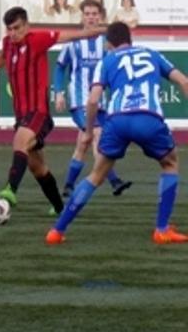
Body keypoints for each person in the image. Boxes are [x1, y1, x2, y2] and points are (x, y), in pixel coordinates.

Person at [46, 23, 188, 245]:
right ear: (129, 38)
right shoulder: (151, 54)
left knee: (96, 174)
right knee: (170, 163)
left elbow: (93, 100)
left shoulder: (107, 60)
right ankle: (161, 229)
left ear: (108, 43)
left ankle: (57, 231)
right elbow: (183, 81)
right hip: (147, 117)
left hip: (116, 121)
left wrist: (89, 131)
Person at [0, 6, 106, 215]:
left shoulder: (37, 40)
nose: (12, 33)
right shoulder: (8, 44)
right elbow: (2, 56)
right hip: (22, 115)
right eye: (9, 29)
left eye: (16, 28)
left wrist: (108, 30)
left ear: (26, 25)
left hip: (38, 113)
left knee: (20, 142)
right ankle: (60, 207)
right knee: (37, 167)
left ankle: (10, 190)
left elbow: (76, 34)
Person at [54, 0, 132, 198]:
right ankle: (114, 180)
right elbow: (60, 66)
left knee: (83, 143)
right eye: (87, 14)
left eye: (94, 14)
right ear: (82, 16)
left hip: (102, 102)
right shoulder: (74, 42)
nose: (91, 17)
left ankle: (69, 186)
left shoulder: (106, 43)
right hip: (80, 101)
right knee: (97, 134)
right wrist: (59, 92)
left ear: (100, 16)